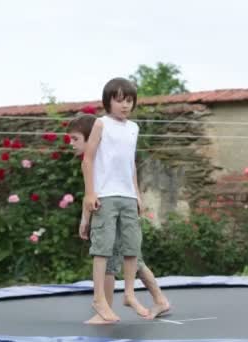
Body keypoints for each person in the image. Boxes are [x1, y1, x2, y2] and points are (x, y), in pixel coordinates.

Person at [78, 78, 170, 323]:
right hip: (106, 196)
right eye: (119, 100)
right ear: (108, 101)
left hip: (128, 196)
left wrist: (137, 194)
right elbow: (88, 160)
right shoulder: (101, 124)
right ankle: (99, 298)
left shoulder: (133, 128)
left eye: (129, 100)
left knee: (132, 248)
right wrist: (90, 193)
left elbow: (130, 164)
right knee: (103, 249)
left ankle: (129, 294)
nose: (125, 105)